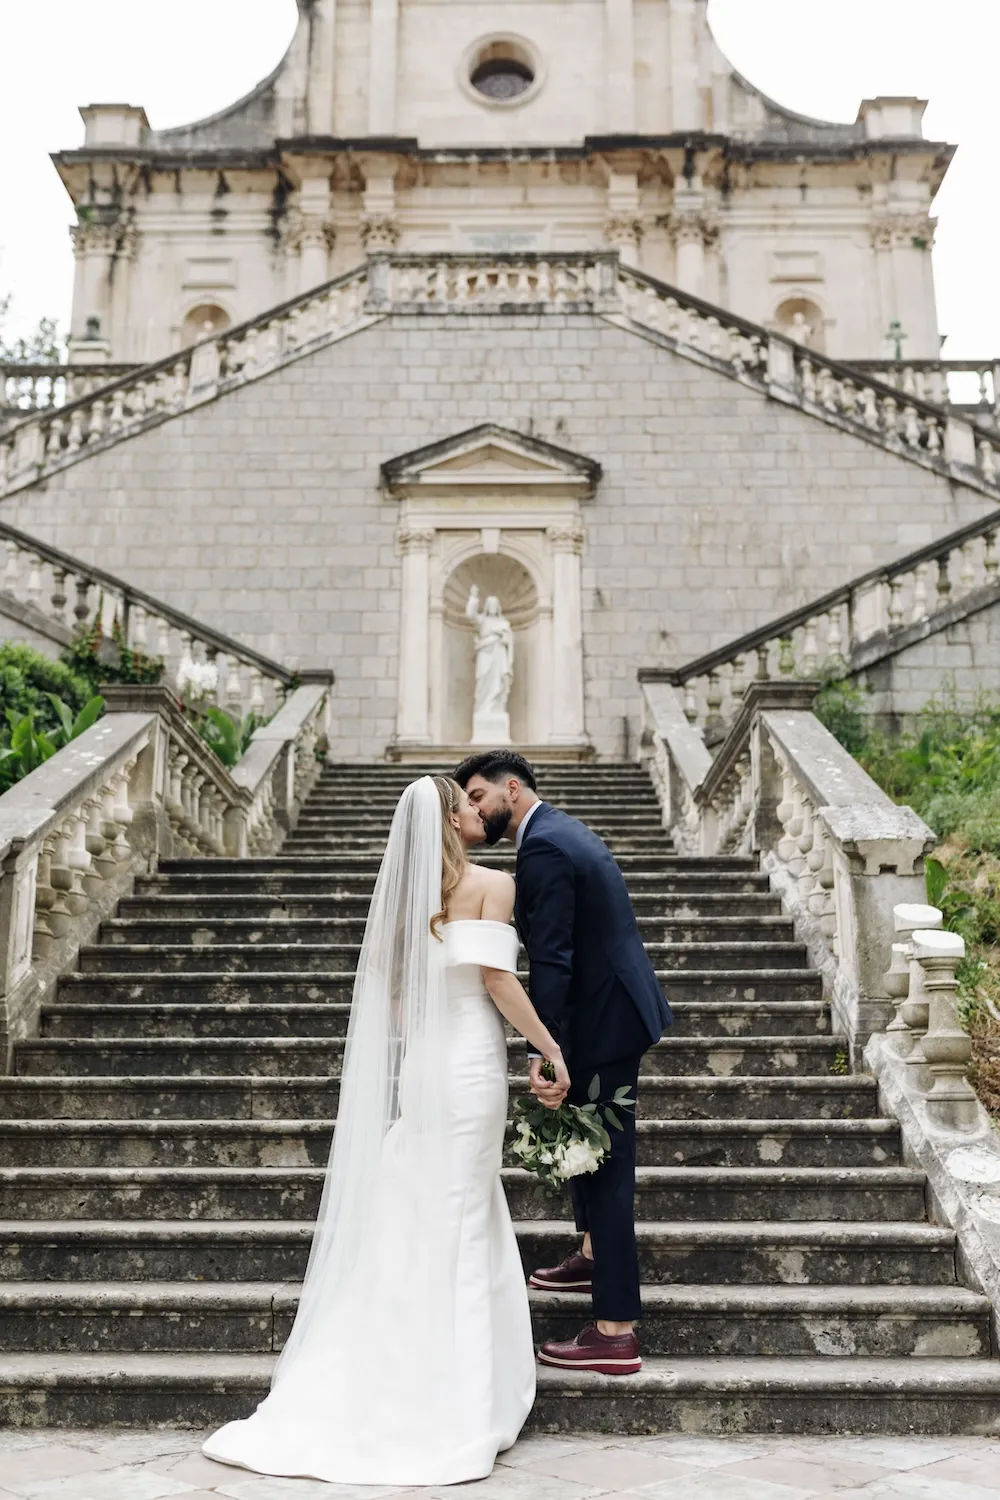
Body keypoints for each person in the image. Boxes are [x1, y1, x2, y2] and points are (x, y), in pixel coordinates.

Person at [202, 776, 568, 1485]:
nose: (477, 810)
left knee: (429, 1206)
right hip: (467, 1064)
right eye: (466, 803)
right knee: (461, 1209)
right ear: (450, 821)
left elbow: (394, 1002)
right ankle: (459, 1399)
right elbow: (497, 980)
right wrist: (550, 1049)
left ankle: (399, 1365)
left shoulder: (405, 901)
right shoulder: (493, 884)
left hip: (426, 1065)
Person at [454, 750, 673, 1375]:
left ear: (511, 789)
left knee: (605, 1167)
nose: (473, 809)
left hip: (602, 1024)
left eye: (477, 796)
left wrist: (543, 1051)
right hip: (613, 1011)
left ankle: (615, 1330)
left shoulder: (544, 848)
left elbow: (552, 960)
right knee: (590, 1146)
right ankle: (591, 1255)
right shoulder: (559, 831)